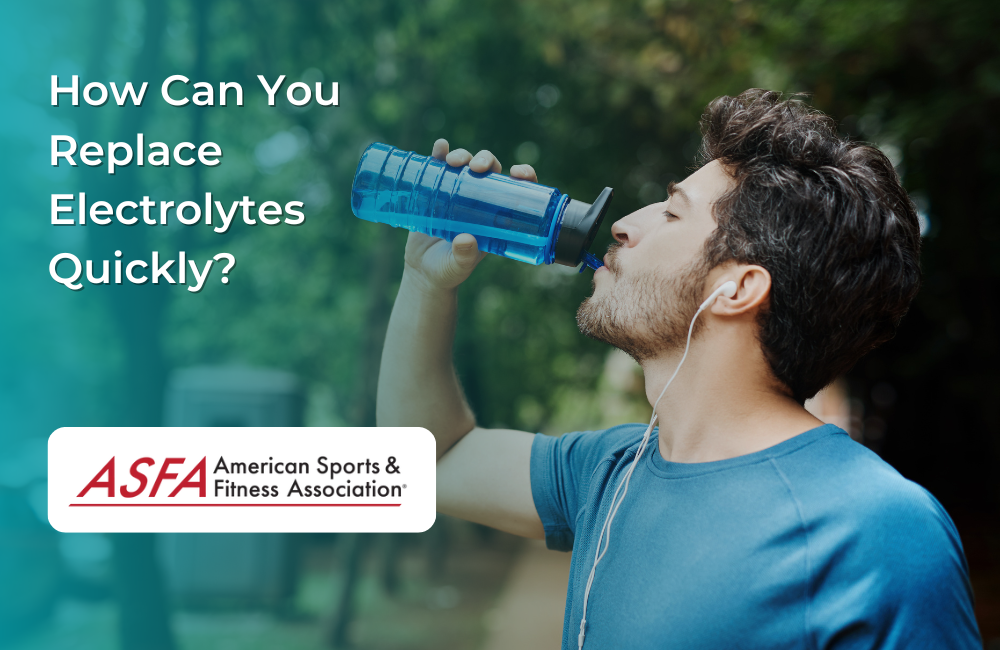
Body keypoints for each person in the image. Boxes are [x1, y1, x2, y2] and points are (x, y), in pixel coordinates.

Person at [376, 89, 981, 648]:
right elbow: (430, 461)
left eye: (670, 213)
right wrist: (425, 282)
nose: (621, 225)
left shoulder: (878, 532)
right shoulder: (610, 473)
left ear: (738, 288)